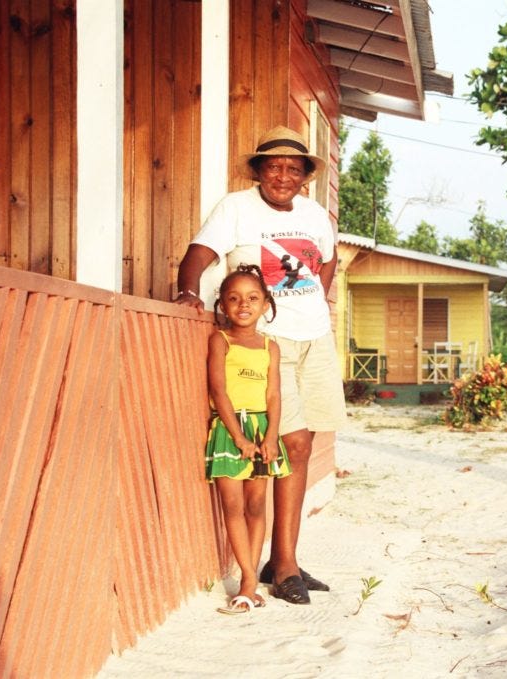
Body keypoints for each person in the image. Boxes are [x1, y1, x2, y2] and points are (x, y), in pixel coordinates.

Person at [176, 125, 346, 605]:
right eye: (274, 166)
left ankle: (281, 559)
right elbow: (199, 256)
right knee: (288, 440)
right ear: (258, 170)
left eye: (295, 168)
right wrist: (190, 291)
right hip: (273, 342)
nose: (284, 175)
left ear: (306, 176)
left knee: (306, 439)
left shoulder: (315, 214)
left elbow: (327, 263)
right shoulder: (236, 207)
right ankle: (284, 565)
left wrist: (313, 300)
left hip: (315, 335)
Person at [206, 265, 292, 614]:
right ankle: (247, 575)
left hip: (262, 432)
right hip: (230, 431)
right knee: (233, 506)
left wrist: (270, 436)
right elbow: (219, 390)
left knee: (257, 506)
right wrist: (238, 437)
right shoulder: (220, 340)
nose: (244, 304)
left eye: (253, 298)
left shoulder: (271, 347)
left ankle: (249, 582)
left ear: (265, 304)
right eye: (234, 298)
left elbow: (274, 395)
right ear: (223, 306)